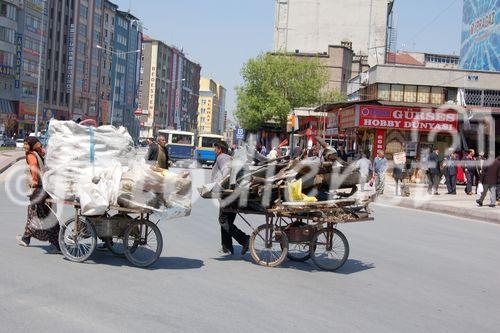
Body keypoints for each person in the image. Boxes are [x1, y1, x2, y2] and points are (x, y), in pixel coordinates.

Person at [16, 137, 61, 253]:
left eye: (26, 144)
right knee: (35, 214)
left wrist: (35, 182)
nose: (25, 146)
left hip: (38, 190)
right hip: (44, 190)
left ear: (31, 145)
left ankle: (56, 244)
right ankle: (26, 238)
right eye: (24, 144)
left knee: (41, 215)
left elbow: (34, 168)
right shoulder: (39, 153)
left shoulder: (31, 155)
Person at [212, 141, 250, 255]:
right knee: (227, 220)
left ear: (219, 149)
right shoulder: (228, 157)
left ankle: (244, 239)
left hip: (227, 194)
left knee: (223, 220)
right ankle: (227, 246)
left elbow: (226, 172)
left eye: (215, 148)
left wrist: (219, 185)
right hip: (231, 193)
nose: (214, 151)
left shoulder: (222, 157)